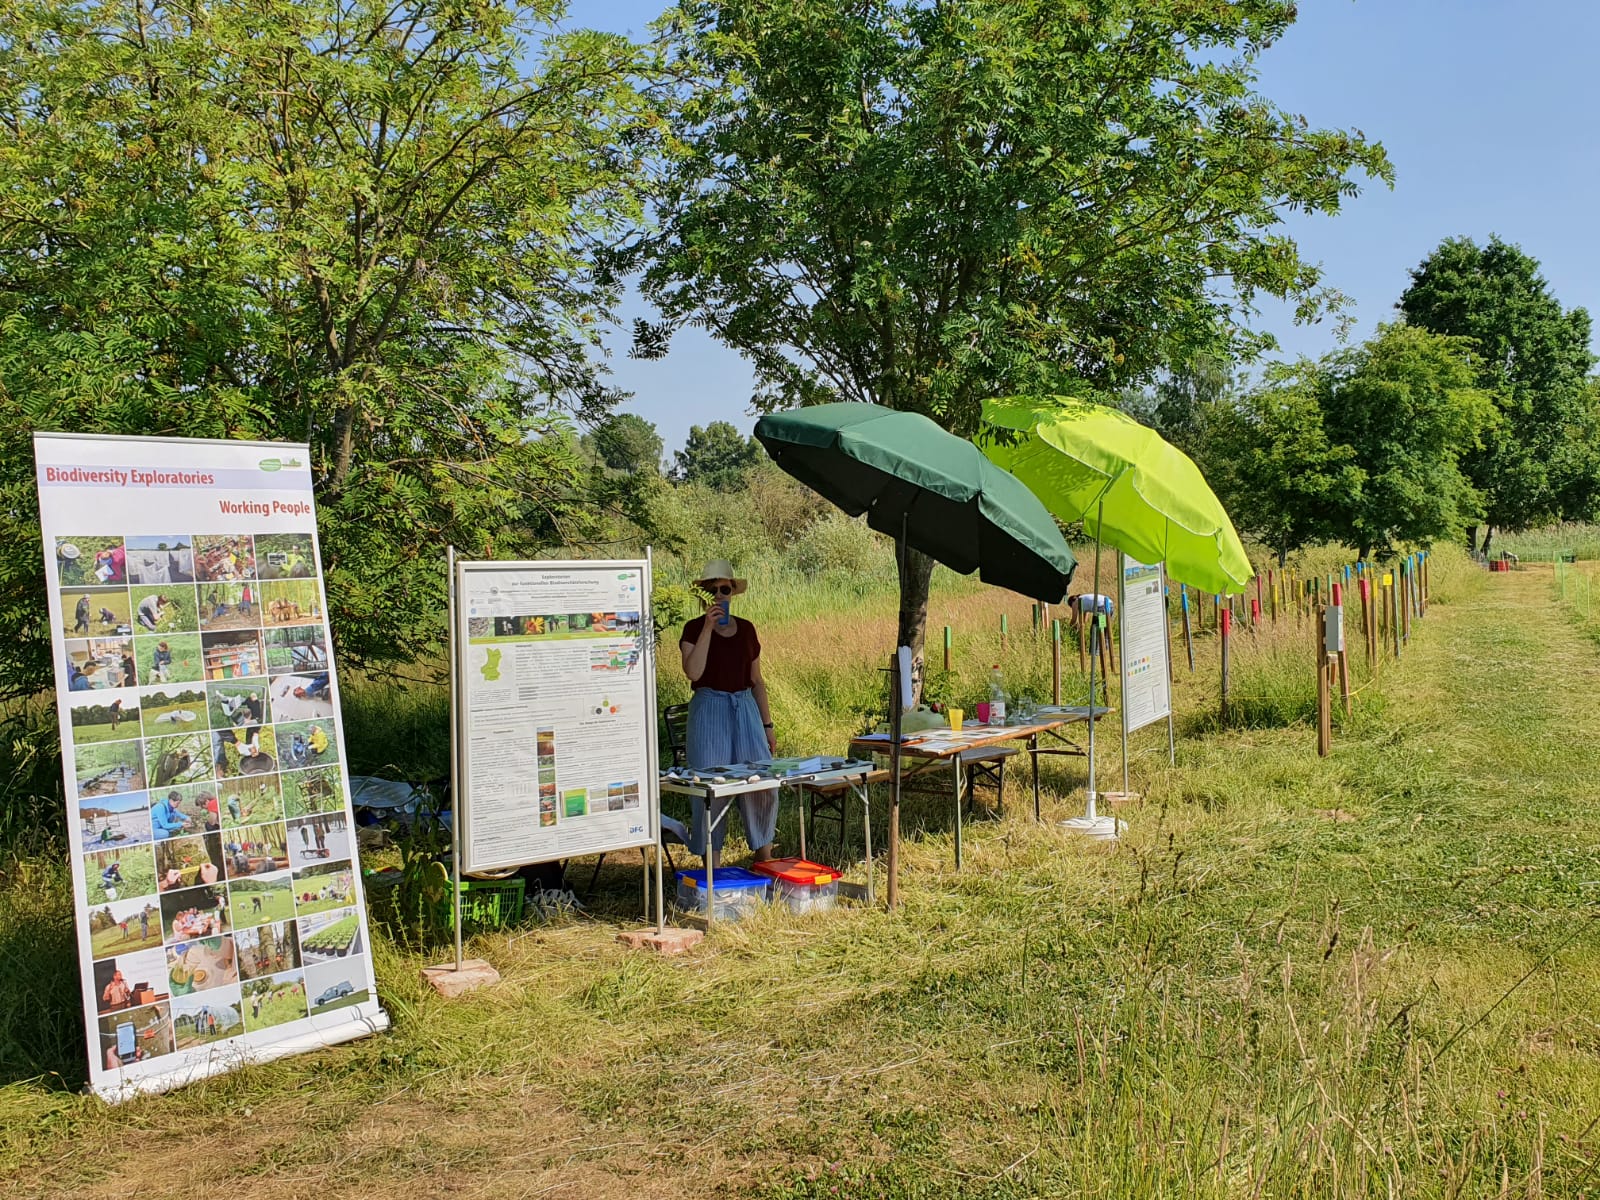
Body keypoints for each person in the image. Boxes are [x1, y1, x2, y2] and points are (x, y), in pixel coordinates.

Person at [678, 559, 779, 866]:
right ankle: (713, 867)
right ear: (705, 595)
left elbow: (757, 680)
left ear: (734, 591)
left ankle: (764, 858)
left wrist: (768, 724)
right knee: (712, 787)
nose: (719, 595)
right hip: (709, 709)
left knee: (760, 782)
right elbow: (693, 672)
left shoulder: (747, 629)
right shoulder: (693, 629)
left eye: (725, 589)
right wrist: (709, 626)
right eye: (713, 590)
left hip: (745, 706)